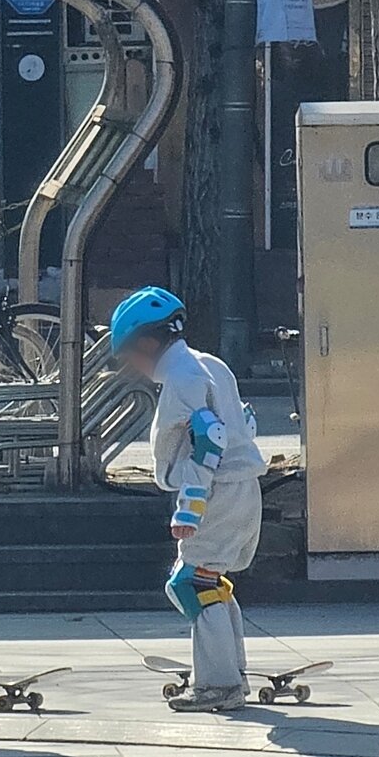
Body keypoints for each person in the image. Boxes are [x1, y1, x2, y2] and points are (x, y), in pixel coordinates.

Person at [110, 287, 268, 712]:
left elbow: (208, 442)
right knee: (209, 582)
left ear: (146, 343)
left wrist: (190, 507)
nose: (133, 366)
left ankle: (220, 684)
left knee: (192, 585)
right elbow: (242, 423)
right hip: (242, 487)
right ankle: (229, 672)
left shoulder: (182, 379)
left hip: (215, 492)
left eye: (130, 356)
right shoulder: (211, 365)